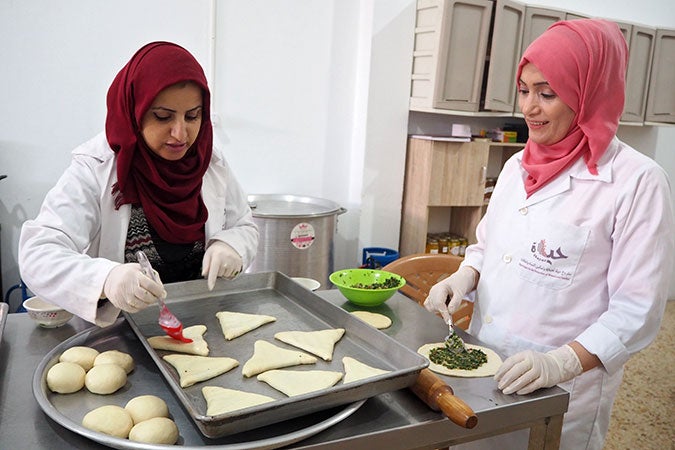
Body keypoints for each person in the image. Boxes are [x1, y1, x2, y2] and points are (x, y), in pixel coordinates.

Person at [423, 19, 674, 450]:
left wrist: (560, 364)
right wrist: (463, 276)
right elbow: (490, 247)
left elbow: (638, 309)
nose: (529, 107)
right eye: (523, 89)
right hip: (485, 361)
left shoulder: (637, 182)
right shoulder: (516, 167)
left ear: (588, 93)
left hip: (563, 388)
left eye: (547, 93)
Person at [19, 42, 258, 327]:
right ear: (134, 110)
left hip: (202, 326)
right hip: (121, 333)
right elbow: (38, 252)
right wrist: (107, 279)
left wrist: (230, 245)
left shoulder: (207, 162)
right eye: (162, 116)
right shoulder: (97, 167)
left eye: (192, 116)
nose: (180, 133)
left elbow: (244, 225)